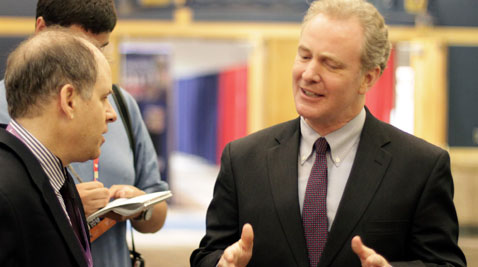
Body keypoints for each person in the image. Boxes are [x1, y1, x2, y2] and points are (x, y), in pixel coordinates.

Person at [190, 0, 467, 266]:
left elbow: (445, 262)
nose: (309, 73)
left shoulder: (421, 167)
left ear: (368, 78)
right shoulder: (242, 160)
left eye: (330, 64)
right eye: (305, 55)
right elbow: (208, 254)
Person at [0, 1, 169, 266]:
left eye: (101, 49)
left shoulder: (124, 108)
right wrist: (64, 206)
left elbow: (157, 207)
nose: (111, 114)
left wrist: (138, 207)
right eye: (81, 49)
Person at [0, 29, 117, 266]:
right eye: (103, 98)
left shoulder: (55, 178)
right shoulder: (6, 190)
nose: (111, 114)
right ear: (69, 100)